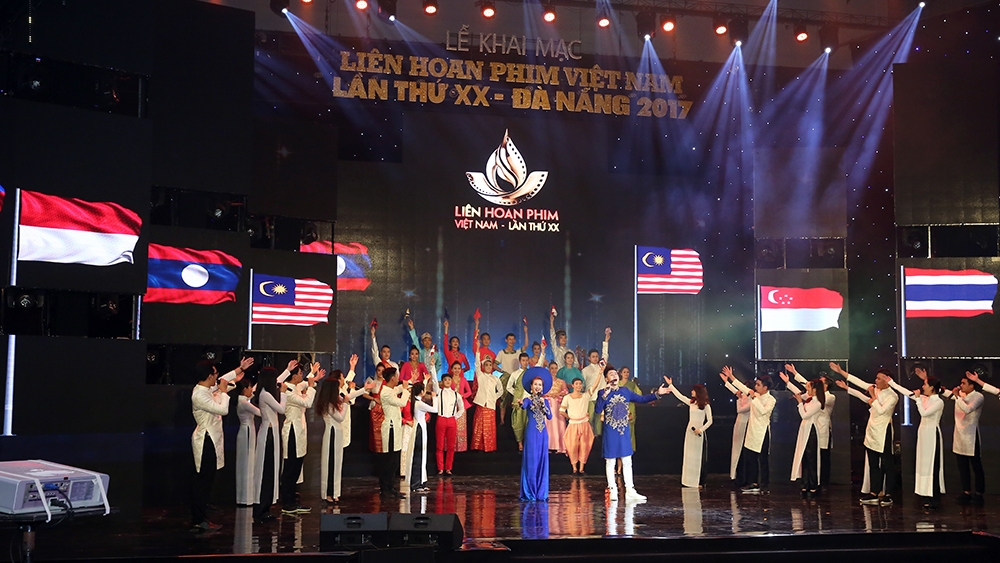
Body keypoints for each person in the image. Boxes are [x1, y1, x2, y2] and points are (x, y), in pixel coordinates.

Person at [191, 357, 251, 531]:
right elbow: (223, 409)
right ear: (210, 376)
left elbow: (223, 380)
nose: (217, 378)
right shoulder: (199, 394)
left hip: (212, 438)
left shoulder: (206, 388)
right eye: (215, 374)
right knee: (202, 481)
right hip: (205, 440)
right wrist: (224, 392)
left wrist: (239, 369)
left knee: (207, 480)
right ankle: (198, 519)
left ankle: (202, 514)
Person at [595, 365, 668, 501]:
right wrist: (605, 394)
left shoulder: (625, 391)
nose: (614, 376)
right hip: (610, 432)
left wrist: (658, 394)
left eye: (615, 374)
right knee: (610, 462)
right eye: (610, 374)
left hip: (623, 432)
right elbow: (598, 410)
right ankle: (612, 490)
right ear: (606, 379)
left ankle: (630, 490)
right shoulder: (602, 393)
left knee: (627, 461)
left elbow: (641, 399)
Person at [830, 362, 898, 506]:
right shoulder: (876, 389)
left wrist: (872, 395)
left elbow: (880, 410)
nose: (876, 381)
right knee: (873, 463)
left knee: (887, 463)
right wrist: (842, 374)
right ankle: (874, 492)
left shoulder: (893, 396)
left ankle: (888, 493)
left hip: (884, 429)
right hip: (872, 429)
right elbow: (859, 383)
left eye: (879, 378)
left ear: (887, 380)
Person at [887, 374, 946, 509]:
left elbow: (924, 413)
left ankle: (934, 497)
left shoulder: (938, 402)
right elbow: (907, 393)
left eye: (925, 384)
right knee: (923, 465)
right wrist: (892, 382)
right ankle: (926, 494)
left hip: (932, 434)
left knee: (933, 465)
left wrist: (919, 399)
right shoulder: (925, 398)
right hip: (923, 434)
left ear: (932, 388)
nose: (922, 386)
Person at [316, 356, 370, 504]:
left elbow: (349, 394)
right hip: (332, 433)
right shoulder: (329, 403)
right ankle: (327, 493)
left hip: (338, 433)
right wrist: (346, 403)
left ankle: (335, 492)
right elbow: (340, 416)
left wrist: (365, 389)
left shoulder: (336, 398)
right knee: (330, 463)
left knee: (337, 464)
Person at [721, 366, 775, 494]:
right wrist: (731, 377)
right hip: (752, 430)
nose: (755, 387)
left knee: (762, 459)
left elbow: (763, 411)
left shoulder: (771, 400)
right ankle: (753, 483)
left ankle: (764, 485)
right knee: (750, 458)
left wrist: (754, 398)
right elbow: (743, 388)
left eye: (758, 385)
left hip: (762, 432)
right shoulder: (755, 395)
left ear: (765, 388)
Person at [786, 364, 836, 487]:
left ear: (826, 385)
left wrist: (797, 376)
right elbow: (804, 392)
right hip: (810, 428)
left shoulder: (830, 397)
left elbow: (813, 395)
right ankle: (810, 482)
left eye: (820, 383)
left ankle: (822, 483)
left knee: (823, 457)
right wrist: (792, 377)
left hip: (822, 429)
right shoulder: (813, 397)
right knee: (810, 457)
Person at [253, 363, 291, 523]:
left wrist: (287, 370)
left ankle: (266, 507)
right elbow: (282, 409)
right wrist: (283, 394)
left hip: (271, 432)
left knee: (271, 470)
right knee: (267, 471)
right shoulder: (265, 394)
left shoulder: (266, 392)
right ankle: (262, 508)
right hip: (268, 434)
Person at [279, 362, 319, 514]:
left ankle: (292, 500)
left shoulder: (295, 387)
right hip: (292, 431)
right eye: (300, 373)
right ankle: (287, 502)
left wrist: (313, 375)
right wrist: (312, 386)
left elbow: (305, 384)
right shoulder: (288, 391)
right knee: (290, 467)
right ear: (294, 376)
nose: (302, 376)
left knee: (297, 466)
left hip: (299, 431)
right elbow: (307, 402)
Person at [664, 378, 713, 489]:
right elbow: (680, 396)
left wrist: (700, 430)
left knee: (698, 457)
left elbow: (710, 421)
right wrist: (671, 385)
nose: (691, 392)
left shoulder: (705, 405)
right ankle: (688, 480)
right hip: (690, 432)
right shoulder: (691, 403)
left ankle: (698, 481)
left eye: (693, 390)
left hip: (699, 433)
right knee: (689, 456)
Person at [782, 374, 825, 497]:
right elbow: (798, 393)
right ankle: (805, 484)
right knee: (804, 458)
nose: (807, 390)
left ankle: (813, 484)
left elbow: (805, 415)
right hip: (804, 428)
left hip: (811, 430)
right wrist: (788, 382)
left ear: (815, 389)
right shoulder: (810, 398)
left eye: (809, 387)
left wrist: (800, 403)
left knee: (811, 459)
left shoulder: (818, 403)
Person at [377, 367, 411, 498]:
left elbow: (397, 390)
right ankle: (386, 489)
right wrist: (406, 389)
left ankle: (390, 487)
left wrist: (406, 384)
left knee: (394, 460)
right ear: (392, 378)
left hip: (395, 429)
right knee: (389, 460)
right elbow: (402, 402)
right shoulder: (385, 393)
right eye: (397, 376)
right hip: (390, 429)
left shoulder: (390, 390)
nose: (398, 378)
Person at [520, 368, 553, 501]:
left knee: (542, 462)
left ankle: (541, 493)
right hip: (532, 434)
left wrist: (543, 405)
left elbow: (550, 416)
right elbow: (523, 406)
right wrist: (521, 403)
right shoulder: (527, 399)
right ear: (531, 387)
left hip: (543, 434)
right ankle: (530, 493)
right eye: (535, 384)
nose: (538, 387)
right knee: (532, 462)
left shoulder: (545, 401)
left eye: (540, 385)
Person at [471, 322, 504, 452]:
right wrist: (478, 349)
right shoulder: (481, 375)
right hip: (480, 403)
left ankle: (489, 447)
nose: (489, 367)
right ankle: (477, 446)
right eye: (487, 365)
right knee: (479, 426)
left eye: (491, 365)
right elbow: (476, 363)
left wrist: (494, 397)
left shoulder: (495, 378)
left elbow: (500, 390)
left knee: (489, 427)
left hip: (490, 404)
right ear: (483, 367)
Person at [507, 349, 547, 451]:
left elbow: (539, 364)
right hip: (519, 402)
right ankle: (520, 443)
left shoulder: (531, 373)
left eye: (526, 360)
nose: (525, 362)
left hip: (531, 401)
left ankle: (529, 444)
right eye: (523, 360)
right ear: (520, 362)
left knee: (529, 423)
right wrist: (516, 394)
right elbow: (508, 387)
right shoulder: (515, 374)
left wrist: (542, 351)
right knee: (518, 423)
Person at [956, 371, 987, 504]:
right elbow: (945, 393)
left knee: (976, 465)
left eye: (964, 383)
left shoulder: (978, 396)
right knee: (962, 466)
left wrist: (957, 397)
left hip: (971, 435)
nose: (961, 386)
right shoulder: (961, 395)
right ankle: (966, 491)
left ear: (971, 386)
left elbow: (968, 409)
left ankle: (979, 493)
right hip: (959, 436)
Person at [560, 376, 599, 474]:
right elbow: (561, 411)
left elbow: (594, 386)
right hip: (573, 424)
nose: (578, 386)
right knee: (572, 446)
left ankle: (581, 469)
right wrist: (569, 417)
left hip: (584, 424)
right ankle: (574, 468)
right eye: (576, 384)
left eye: (580, 384)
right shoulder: (567, 397)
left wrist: (600, 373)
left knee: (584, 446)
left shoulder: (585, 396)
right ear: (572, 385)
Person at [405, 381, 438, 492]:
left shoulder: (417, 401)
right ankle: (416, 484)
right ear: (421, 392)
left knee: (422, 457)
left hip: (421, 429)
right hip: (419, 430)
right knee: (418, 457)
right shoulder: (418, 403)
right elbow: (435, 409)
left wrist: (424, 381)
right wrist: (435, 398)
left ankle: (422, 482)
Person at [720, 373, 751, 488]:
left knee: (742, 453)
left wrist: (739, 399)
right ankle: (735, 476)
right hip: (739, 424)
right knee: (736, 451)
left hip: (745, 425)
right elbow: (736, 391)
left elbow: (740, 410)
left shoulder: (752, 401)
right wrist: (726, 382)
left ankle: (742, 478)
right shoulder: (744, 397)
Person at [496, 324, 529, 424]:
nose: (511, 341)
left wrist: (526, 332)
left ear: (515, 341)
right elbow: (494, 364)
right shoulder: (502, 352)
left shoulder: (518, 352)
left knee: (518, 398)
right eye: (509, 339)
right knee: (504, 399)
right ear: (506, 340)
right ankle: (502, 420)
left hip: (516, 377)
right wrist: (501, 370)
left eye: (513, 339)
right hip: (506, 377)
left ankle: (518, 420)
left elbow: (526, 345)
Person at [581, 328, 611, 436]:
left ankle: (598, 437)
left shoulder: (601, 366)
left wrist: (606, 341)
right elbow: (583, 385)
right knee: (590, 418)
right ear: (589, 358)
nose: (595, 358)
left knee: (599, 419)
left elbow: (605, 354)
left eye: (596, 356)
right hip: (590, 397)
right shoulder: (585, 370)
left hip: (601, 396)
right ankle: (588, 437)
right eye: (593, 357)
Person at [436, 367, 466, 475]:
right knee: (439, 445)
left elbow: (462, 408)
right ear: (442, 382)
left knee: (450, 446)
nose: (448, 381)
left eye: (449, 379)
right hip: (441, 419)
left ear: (451, 381)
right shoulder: (439, 392)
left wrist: (455, 417)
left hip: (451, 421)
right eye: (445, 380)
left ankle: (448, 468)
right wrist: (432, 367)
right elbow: (435, 381)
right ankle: (440, 468)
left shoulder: (456, 394)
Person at [235, 378, 260, 507]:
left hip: (247, 432)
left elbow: (255, 391)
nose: (251, 390)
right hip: (247, 432)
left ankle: (245, 497)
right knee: (247, 464)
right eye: (249, 387)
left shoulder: (244, 400)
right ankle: (245, 498)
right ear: (244, 389)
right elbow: (259, 412)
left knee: (247, 464)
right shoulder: (244, 402)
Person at [545, 361, 568, 454]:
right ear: (549, 369)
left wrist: (557, 394)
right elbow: (540, 392)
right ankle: (548, 446)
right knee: (548, 424)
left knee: (559, 424)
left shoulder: (561, 381)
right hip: (548, 404)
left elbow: (566, 392)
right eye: (552, 368)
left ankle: (560, 446)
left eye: (555, 368)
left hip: (558, 405)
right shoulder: (545, 381)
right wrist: (551, 394)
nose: (554, 370)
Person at [619, 367, 641, 453]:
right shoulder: (617, 384)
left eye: (627, 372)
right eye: (624, 372)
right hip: (620, 408)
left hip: (630, 407)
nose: (626, 374)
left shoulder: (632, 385)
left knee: (630, 428)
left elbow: (639, 394)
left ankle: (631, 448)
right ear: (621, 373)